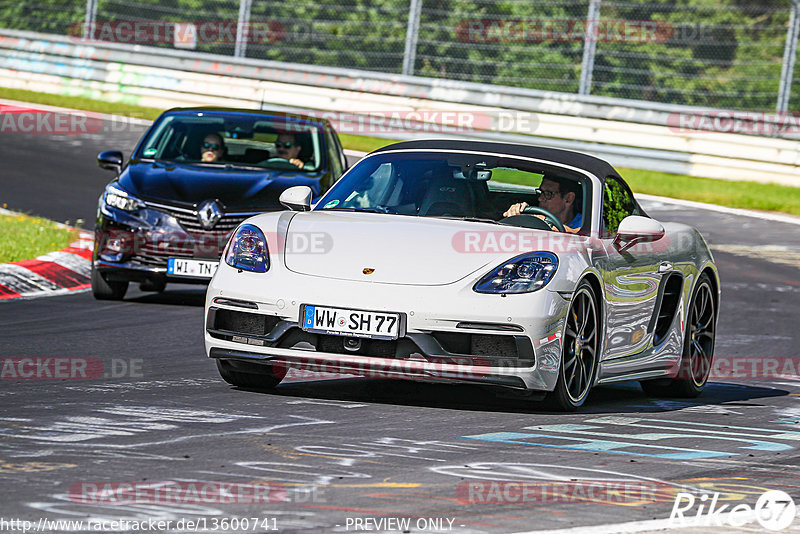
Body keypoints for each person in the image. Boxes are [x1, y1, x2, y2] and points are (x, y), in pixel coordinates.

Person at [503, 176, 582, 233]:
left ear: (568, 198)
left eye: (548, 194)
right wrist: (518, 213)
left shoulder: (586, 222)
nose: (540, 198)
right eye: (541, 192)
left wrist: (543, 222)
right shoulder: (537, 214)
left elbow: (582, 236)